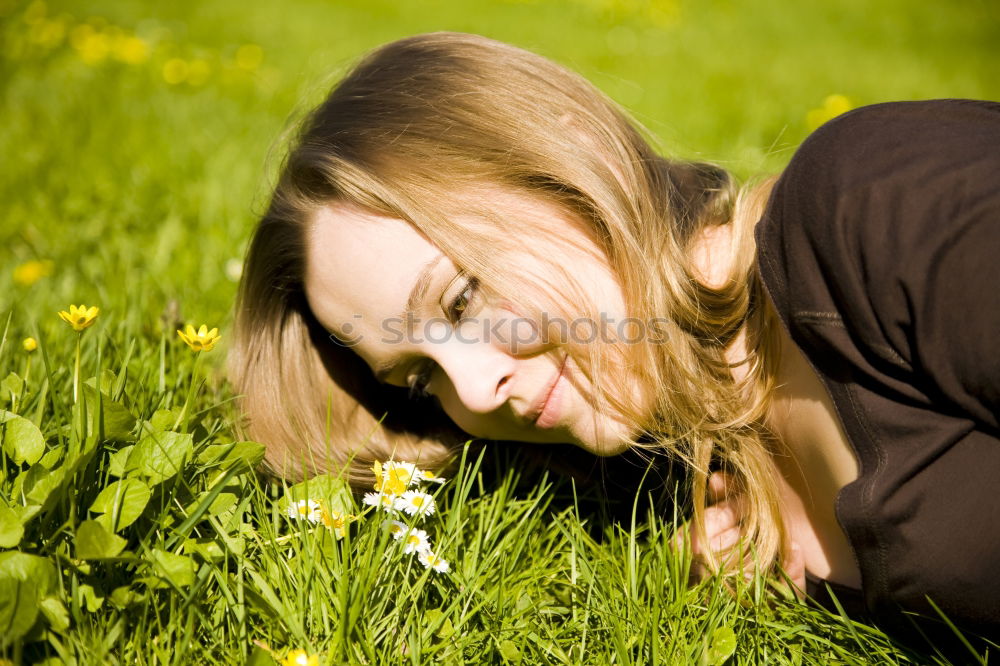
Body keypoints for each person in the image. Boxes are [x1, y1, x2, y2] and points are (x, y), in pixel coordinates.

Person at [229, 31, 1000, 654]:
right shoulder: (678, 484)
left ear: (562, 159)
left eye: (462, 299)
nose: (470, 392)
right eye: (420, 377)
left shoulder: (870, 208)